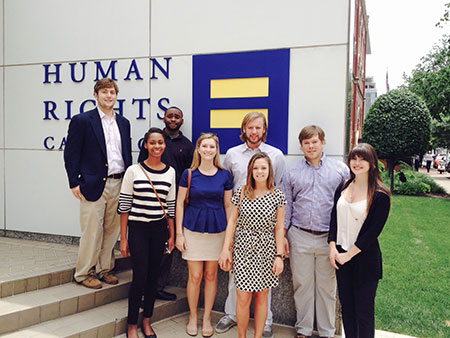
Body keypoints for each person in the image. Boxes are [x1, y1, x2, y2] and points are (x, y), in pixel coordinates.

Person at [216, 112, 286, 338]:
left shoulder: (275, 155)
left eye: (258, 127)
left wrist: (279, 250)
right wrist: (227, 247)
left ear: (264, 129)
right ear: (244, 129)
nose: (254, 131)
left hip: (266, 239)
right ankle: (233, 316)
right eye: (250, 127)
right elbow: (228, 187)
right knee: (238, 287)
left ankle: (264, 325)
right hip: (241, 231)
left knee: (264, 293)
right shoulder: (233, 155)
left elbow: (279, 218)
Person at [64, 78, 132, 289]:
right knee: (92, 231)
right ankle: (84, 273)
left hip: (118, 182)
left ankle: (105, 269)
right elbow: (71, 153)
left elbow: (126, 154)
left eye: (112, 92)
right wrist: (75, 182)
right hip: (93, 185)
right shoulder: (82, 120)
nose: (109, 96)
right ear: (96, 95)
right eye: (104, 92)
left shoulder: (124, 123)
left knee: (112, 231)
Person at [283, 125, 349, 338]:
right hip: (299, 235)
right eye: (306, 143)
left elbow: (347, 204)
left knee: (327, 289)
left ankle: (327, 332)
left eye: (315, 141)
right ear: (301, 146)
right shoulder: (292, 172)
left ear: (323, 142)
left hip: (328, 239)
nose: (311, 146)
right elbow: (287, 206)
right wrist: (283, 235)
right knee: (302, 286)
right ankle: (303, 329)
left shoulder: (340, 170)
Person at [328, 143, 391, 338]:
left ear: (372, 163)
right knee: (347, 309)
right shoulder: (344, 186)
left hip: (364, 260)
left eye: (362, 159)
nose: (357, 163)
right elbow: (334, 218)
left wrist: (349, 255)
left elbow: (372, 233)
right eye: (354, 158)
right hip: (340, 257)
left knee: (364, 313)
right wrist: (333, 248)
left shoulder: (380, 195)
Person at [118, 128, 176, 338]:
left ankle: (147, 321)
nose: (157, 146)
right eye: (152, 143)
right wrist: (123, 238)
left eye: (160, 142)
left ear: (164, 145)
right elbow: (124, 205)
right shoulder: (133, 170)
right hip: (138, 229)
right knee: (140, 277)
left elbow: (171, 206)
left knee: (153, 277)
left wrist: (172, 235)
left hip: (159, 230)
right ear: (145, 145)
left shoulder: (170, 172)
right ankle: (132, 324)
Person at [176, 133, 233, 337]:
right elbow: (180, 203)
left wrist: (229, 238)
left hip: (218, 230)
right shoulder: (189, 174)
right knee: (196, 276)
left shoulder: (225, 175)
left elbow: (228, 205)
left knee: (211, 275)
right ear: (198, 149)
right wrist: (178, 234)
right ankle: (193, 316)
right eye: (205, 146)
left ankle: (207, 317)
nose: (208, 150)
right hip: (192, 229)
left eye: (212, 147)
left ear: (217, 150)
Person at [138, 106, 194, 301]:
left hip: (174, 202)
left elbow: (189, 175)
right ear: (164, 118)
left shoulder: (187, 146)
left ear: (182, 121)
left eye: (177, 116)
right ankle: (143, 287)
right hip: (149, 201)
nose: (173, 119)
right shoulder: (154, 140)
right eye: (170, 115)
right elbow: (139, 167)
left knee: (168, 245)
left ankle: (157, 287)